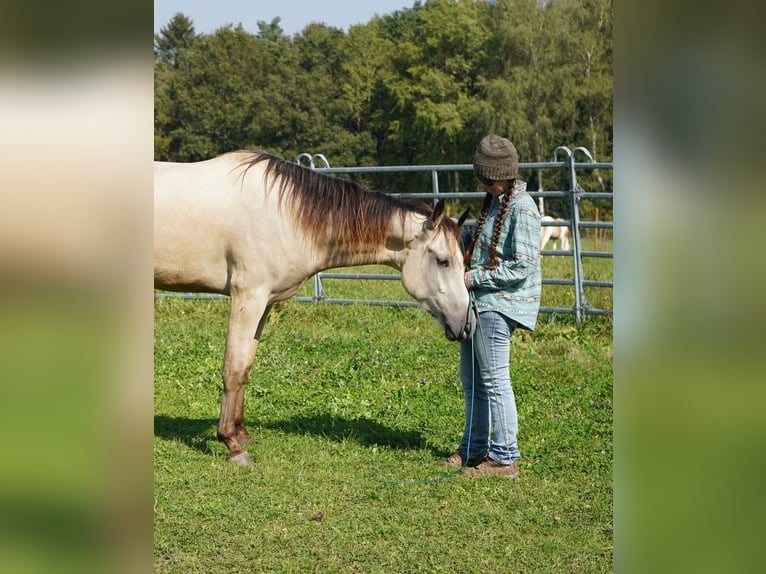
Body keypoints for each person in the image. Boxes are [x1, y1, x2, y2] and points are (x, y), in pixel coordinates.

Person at [440, 134, 542, 478]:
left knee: (495, 379)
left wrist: (473, 279)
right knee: (472, 380)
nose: (482, 182)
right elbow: (487, 248)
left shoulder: (522, 208)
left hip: (500, 305)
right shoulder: (495, 202)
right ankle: (473, 448)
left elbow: (523, 265)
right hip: (479, 303)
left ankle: (505, 457)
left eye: (484, 177)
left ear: (497, 174)